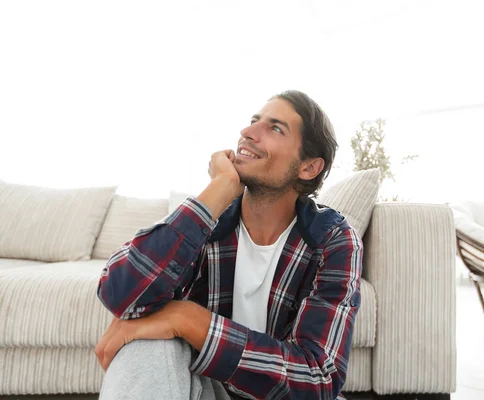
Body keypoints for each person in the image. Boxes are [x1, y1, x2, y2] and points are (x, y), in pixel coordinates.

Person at [95, 90, 363, 400]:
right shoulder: (205, 222)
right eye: (253, 121)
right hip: (207, 391)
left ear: (308, 168)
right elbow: (121, 296)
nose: (247, 133)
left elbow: (318, 379)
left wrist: (187, 319)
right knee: (146, 342)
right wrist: (219, 188)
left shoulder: (332, 240)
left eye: (275, 128)